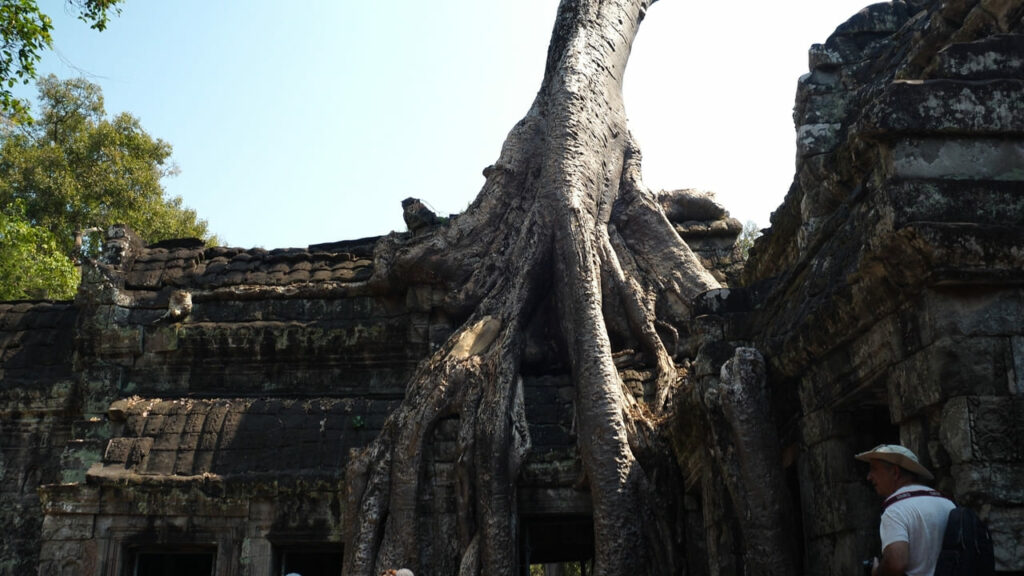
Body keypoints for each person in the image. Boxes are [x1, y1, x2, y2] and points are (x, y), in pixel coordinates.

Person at [856, 444, 955, 576]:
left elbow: (896, 563)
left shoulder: (895, 510)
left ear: (895, 472)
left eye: (874, 469)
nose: (869, 477)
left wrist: (876, 572)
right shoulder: (947, 503)